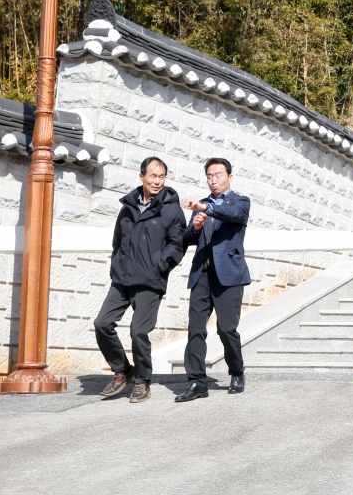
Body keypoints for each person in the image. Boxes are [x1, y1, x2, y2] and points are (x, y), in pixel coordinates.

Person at [95, 156, 186, 403]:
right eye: (153, 176)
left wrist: (161, 265)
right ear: (142, 176)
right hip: (122, 278)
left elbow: (177, 245)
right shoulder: (127, 208)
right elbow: (117, 242)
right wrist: (116, 266)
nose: (158, 181)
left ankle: (142, 380)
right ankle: (122, 370)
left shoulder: (171, 209)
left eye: (162, 176)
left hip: (149, 279)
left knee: (138, 332)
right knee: (102, 323)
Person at [176, 158, 251, 402]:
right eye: (209, 175)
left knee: (226, 329)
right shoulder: (204, 204)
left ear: (230, 176)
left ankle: (237, 372)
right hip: (202, 274)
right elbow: (186, 239)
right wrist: (195, 227)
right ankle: (197, 381)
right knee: (195, 329)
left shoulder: (239, 201)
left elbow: (234, 215)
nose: (213, 179)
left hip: (229, 275)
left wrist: (204, 209)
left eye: (218, 174)